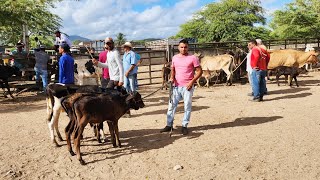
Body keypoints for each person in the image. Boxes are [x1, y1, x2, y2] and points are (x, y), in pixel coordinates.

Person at [160, 39, 202, 135]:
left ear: (188, 47)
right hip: (176, 86)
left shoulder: (193, 58)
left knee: (187, 106)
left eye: (185, 47)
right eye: (181, 47)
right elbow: (173, 69)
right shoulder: (175, 58)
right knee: (171, 106)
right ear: (178, 48)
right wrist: (171, 77)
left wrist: (192, 82)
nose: (183, 49)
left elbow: (200, 71)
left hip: (187, 86)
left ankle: (184, 125)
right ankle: (169, 124)